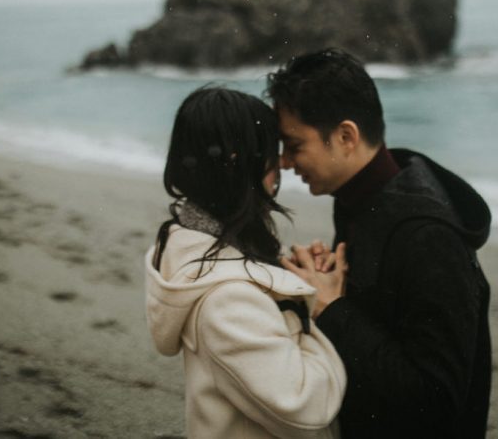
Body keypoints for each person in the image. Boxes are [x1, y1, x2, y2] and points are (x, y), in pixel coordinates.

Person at [268, 49, 492, 438]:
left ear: (345, 137)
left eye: (294, 145)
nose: (285, 163)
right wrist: (331, 282)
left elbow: (437, 400)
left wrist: (332, 307)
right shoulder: (360, 198)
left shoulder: (428, 237)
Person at [144, 87, 347, 439]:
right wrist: (320, 307)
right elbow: (305, 409)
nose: (283, 163)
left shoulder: (198, 248)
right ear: (239, 163)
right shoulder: (227, 301)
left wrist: (290, 277)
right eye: (271, 153)